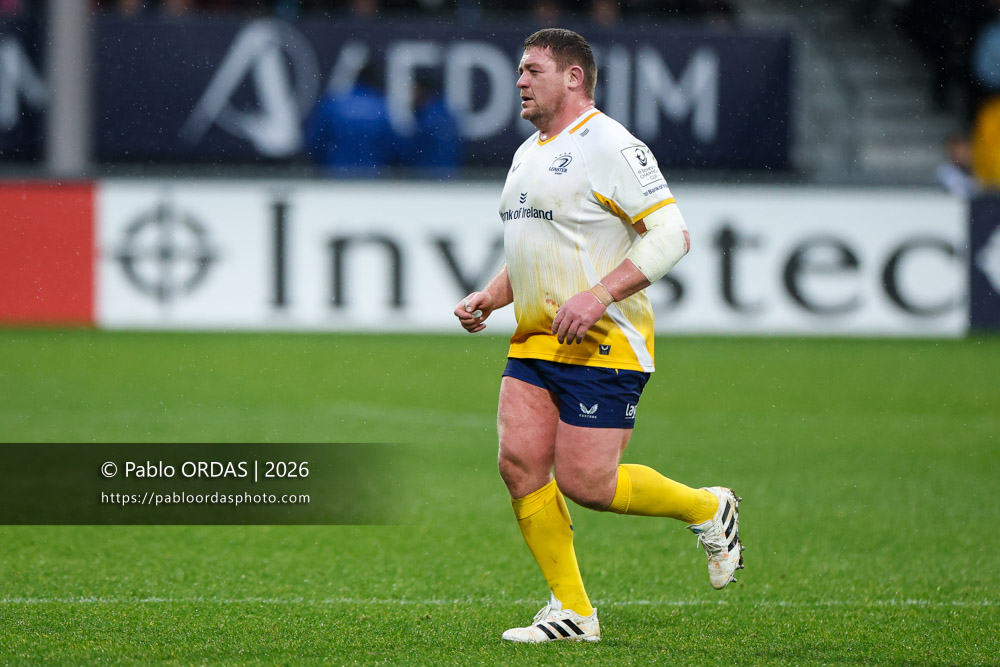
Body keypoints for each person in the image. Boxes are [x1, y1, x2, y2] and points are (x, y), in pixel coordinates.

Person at [453, 28, 744, 644]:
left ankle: (707, 507)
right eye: (520, 71)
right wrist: (492, 294)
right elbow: (535, 248)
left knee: (589, 484)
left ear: (573, 77)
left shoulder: (612, 145)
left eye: (532, 70)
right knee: (518, 465)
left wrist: (600, 294)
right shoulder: (528, 151)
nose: (520, 82)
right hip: (534, 339)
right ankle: (573, 611)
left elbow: (671, 236)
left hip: (603, 339)